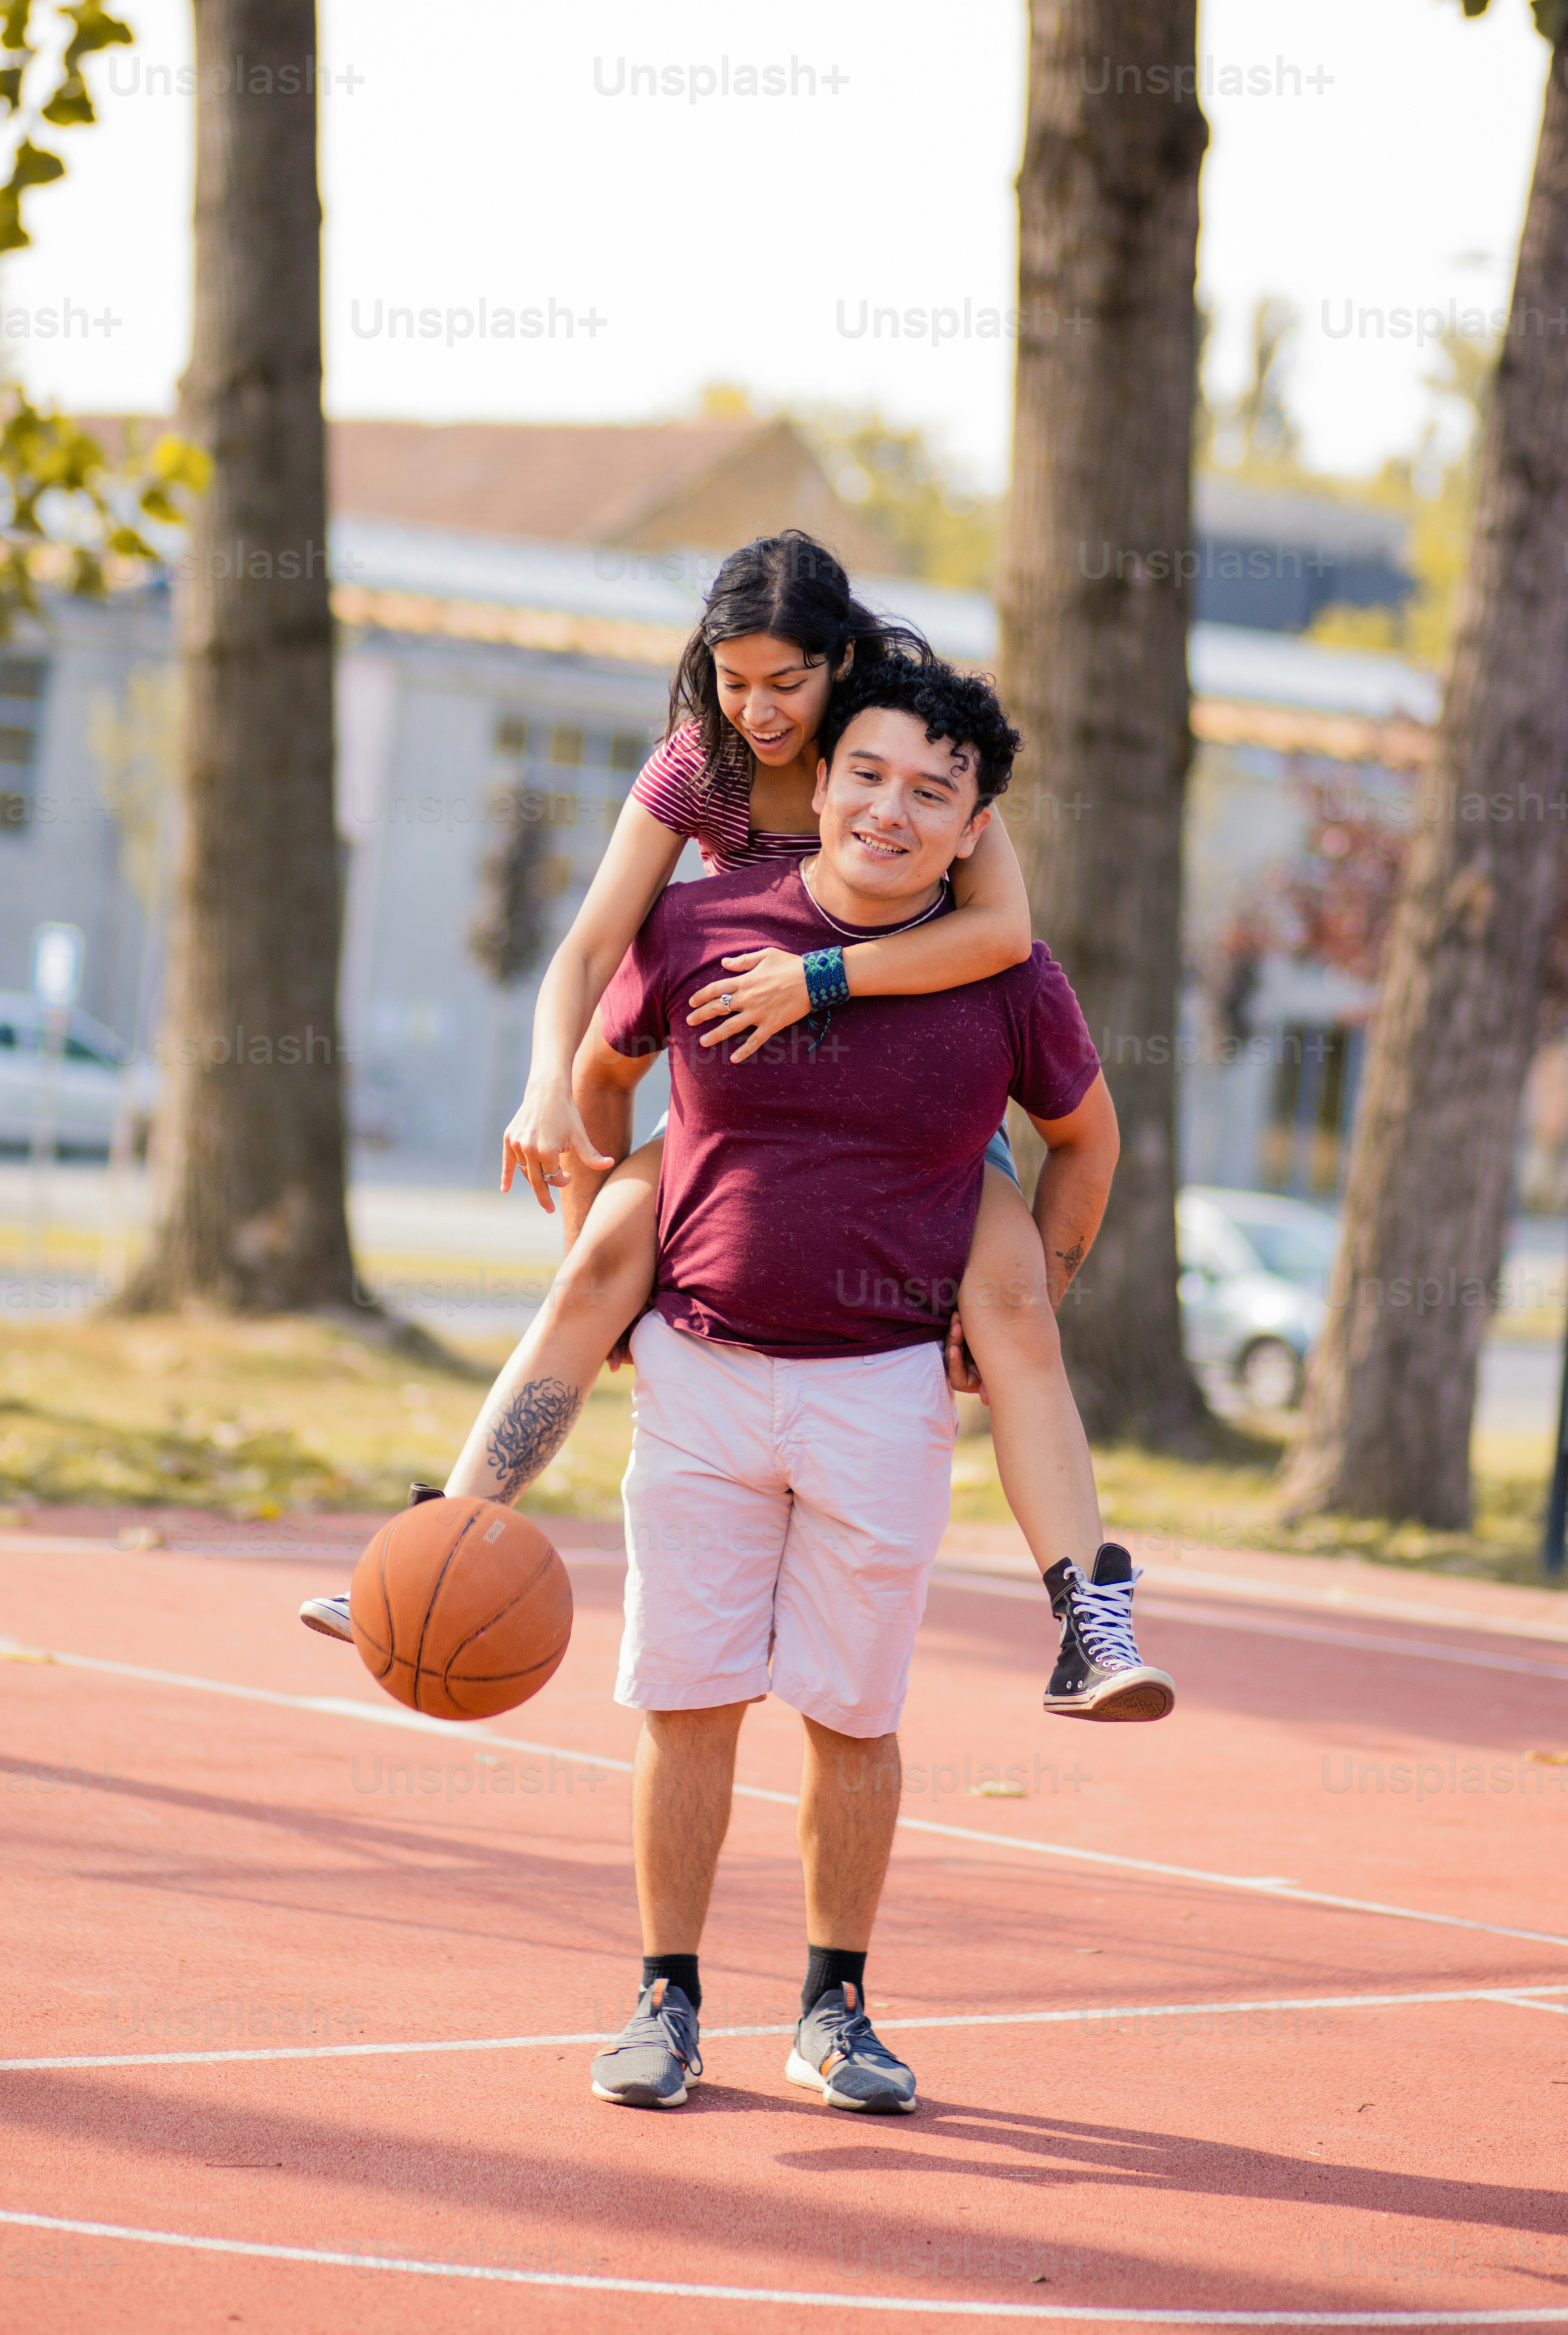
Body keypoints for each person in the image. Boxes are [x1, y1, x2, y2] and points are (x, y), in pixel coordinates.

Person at [454, 650, 1168, 2114]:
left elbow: (1087, 1140)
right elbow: (599, 1068)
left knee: (851, 1718)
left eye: (933, 791)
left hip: (881, 1390)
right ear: (821, 777)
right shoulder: (700, 918)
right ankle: (666, 2000)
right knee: (687, 1703)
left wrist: (1035, 1287)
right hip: (703, 1375)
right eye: (869, 775)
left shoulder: (1009, 976)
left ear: (976, 825)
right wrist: (619, 1211)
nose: (892, 810)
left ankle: (835, 2007)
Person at [302, 531, 1151, 1706]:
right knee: (594, 1265)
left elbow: (1003, 936)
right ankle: (440, 1542)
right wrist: (548, 1079)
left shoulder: (906, 754)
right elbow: (593, 944)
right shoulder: (700, 763)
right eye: (732, 676)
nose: (757, 707)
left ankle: (1092, 1618)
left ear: (840, 662)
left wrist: (822, 980)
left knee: (1015, 1315)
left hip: (916, 1105)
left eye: (785, 681)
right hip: (755, 1106)